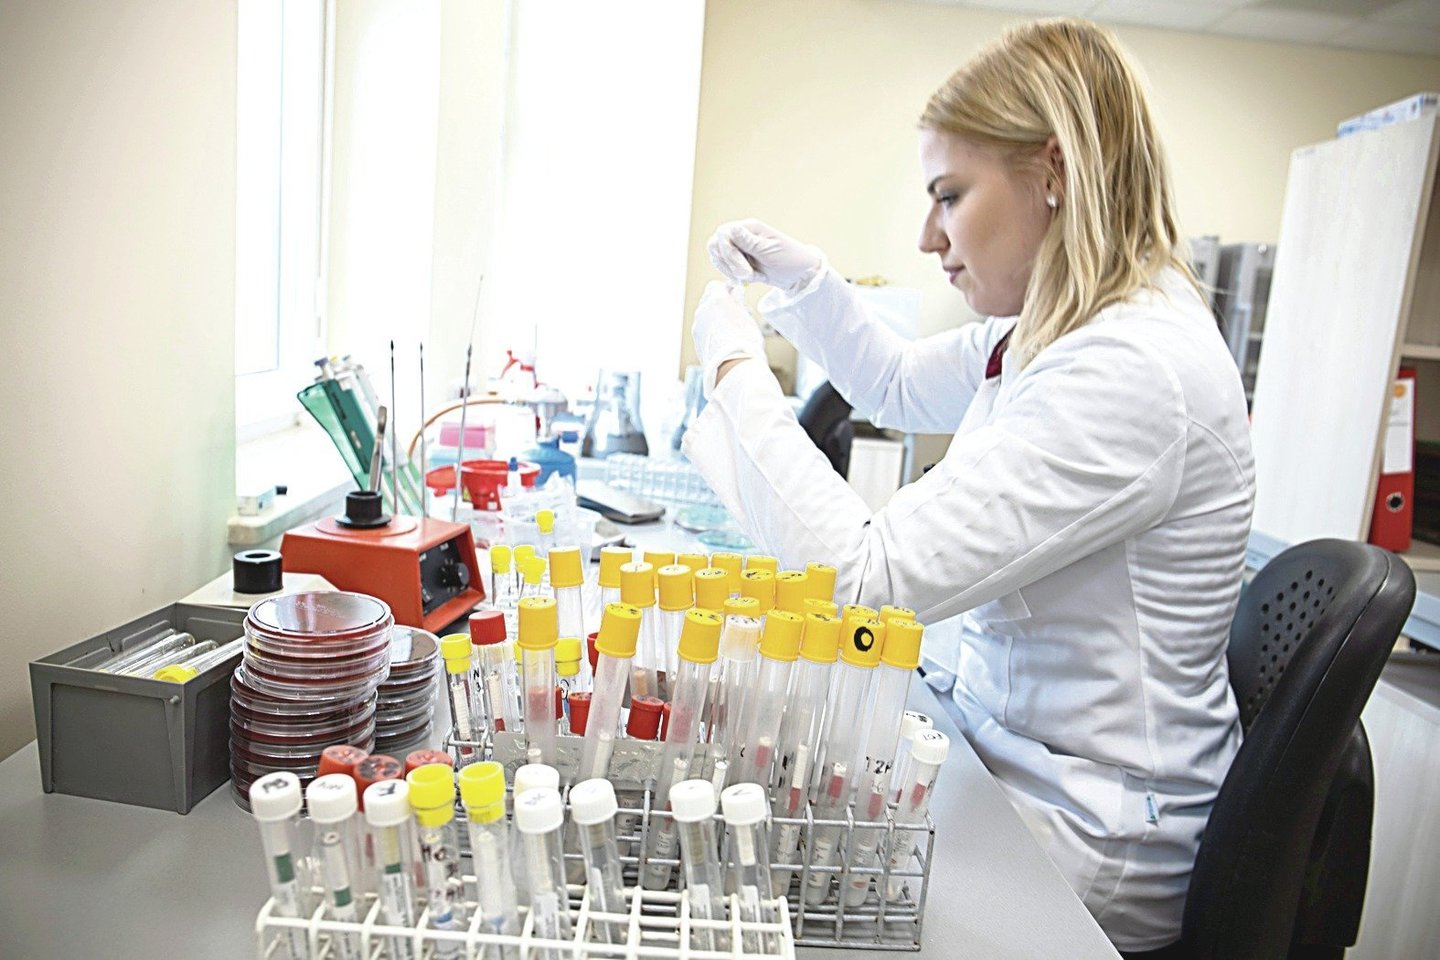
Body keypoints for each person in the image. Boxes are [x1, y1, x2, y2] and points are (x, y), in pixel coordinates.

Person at [682, 17, 1254, 957]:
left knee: (785, 900)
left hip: (1086, 833)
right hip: (1012, 762)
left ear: (1054, 171)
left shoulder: (1131, 369)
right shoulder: (1057, 326)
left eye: (949, 196)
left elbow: (864, 579)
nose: (927, 236)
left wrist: (736, 373)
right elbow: (898, 383)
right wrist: (810, 286)